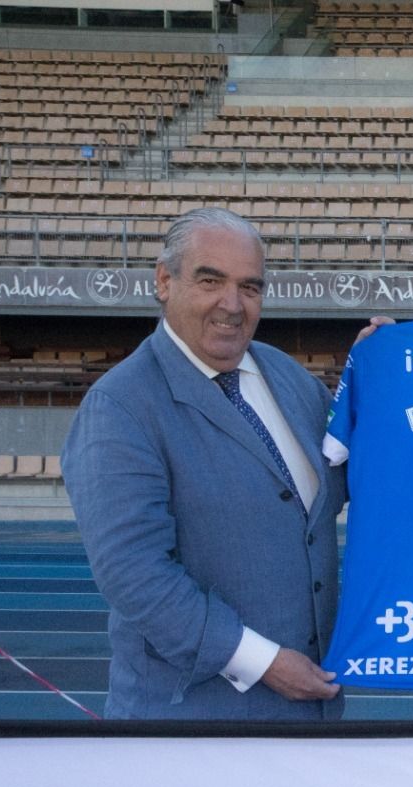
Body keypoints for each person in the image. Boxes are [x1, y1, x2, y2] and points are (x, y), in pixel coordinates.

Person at [62, 207, 346, 720]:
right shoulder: (120, 407)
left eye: (250, 287)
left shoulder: (287, 375)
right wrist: (265, 663)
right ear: (165, 280)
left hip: (312, 720)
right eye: (210, 280)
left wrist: (386, 375)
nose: (232, 305)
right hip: (191, 727)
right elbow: (135, 575)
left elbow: (342, 481)